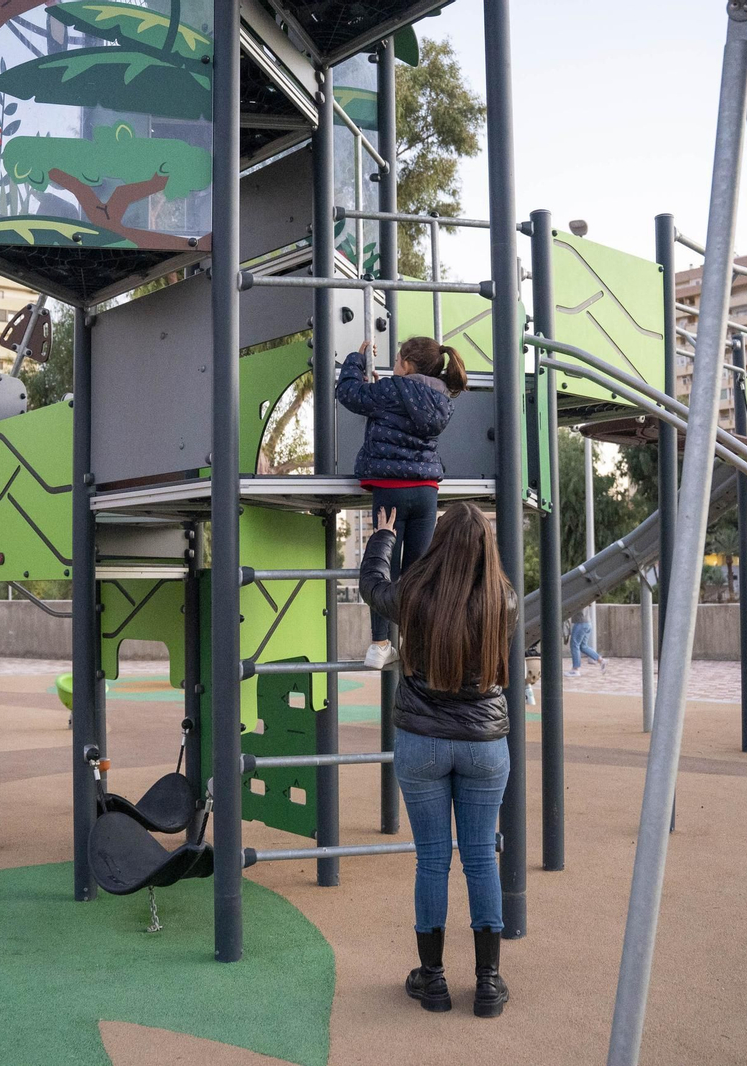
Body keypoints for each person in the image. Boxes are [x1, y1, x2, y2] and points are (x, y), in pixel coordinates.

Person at [360, 502, 514, 1018]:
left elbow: (372, 588)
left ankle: (433, 980)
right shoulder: (503, 600)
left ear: (439, 542)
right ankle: (488, 984)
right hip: (484, 745)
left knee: (432, 860)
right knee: (479, 858)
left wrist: (383, 539)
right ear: (486, 550)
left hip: (422, 741)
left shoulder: (415, 594)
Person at [337, 335, 467, 669]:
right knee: (417, 571)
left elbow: (348, 393)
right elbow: (403, 407)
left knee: (385, 567)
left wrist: (356, 359)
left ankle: (380, 645)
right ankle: (415, 644)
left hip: (390, 488)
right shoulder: (441, 399)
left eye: (396, 360)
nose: (394, 365)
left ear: (406, 364)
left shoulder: (393, 390)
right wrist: (383, 390)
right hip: (426, 492)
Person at [566, 611, 606, 676]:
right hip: (587, 623)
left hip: (580, 623)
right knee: (583, 646)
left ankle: (575, 669)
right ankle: (601, 660)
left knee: (574, 645)